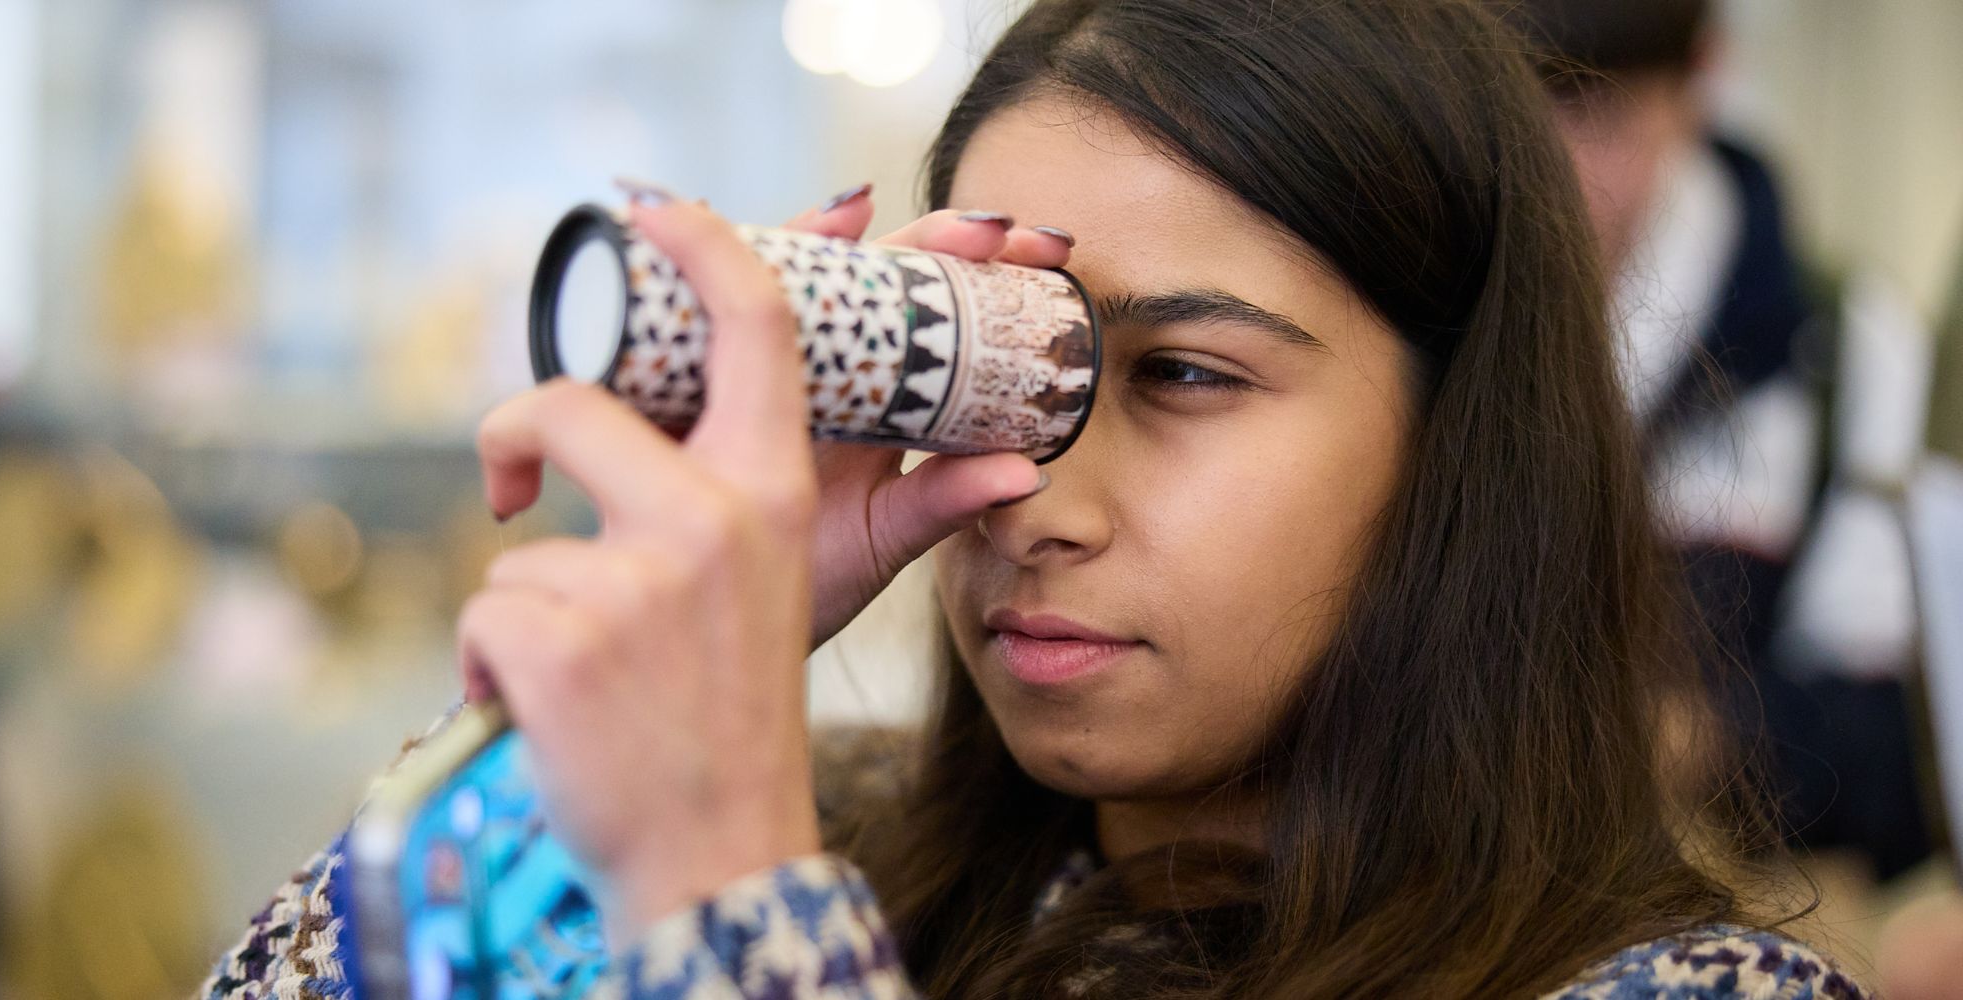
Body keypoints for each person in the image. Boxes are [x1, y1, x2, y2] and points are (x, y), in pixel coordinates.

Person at [200, 1, 1870, 996]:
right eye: (1005, 393)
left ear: (1461, 441)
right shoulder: (849, 833)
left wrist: (731, 914)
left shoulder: (1688, 989)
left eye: (1185, 378)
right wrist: (567, 727)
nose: (1036, 507)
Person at [1516, 0, 1934, 883]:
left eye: (1592, 114)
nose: (1542, 170)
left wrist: (1685, 741)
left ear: (1698, 79)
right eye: (1508, 112)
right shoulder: (1407, 325)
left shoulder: (1846, 361)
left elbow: (1901, 756)